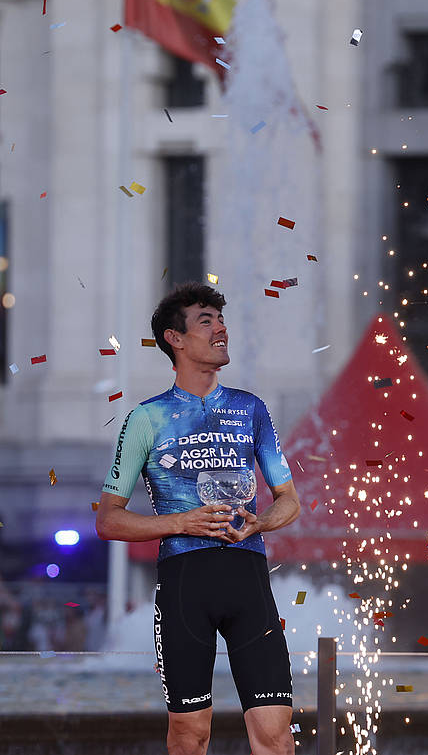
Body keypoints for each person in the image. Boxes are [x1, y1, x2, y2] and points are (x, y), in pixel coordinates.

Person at [96, 283, 300, 755]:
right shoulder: (146, 418)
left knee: (275, 734)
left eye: (221, 320)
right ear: (176, 339)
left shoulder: (251, 409)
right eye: (206, 321)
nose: (220, 329)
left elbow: (288, 499)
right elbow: (108, 520)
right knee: (191, 736)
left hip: (249, 581)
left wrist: (261, 522)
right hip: (185, 584)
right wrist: (180, 523)